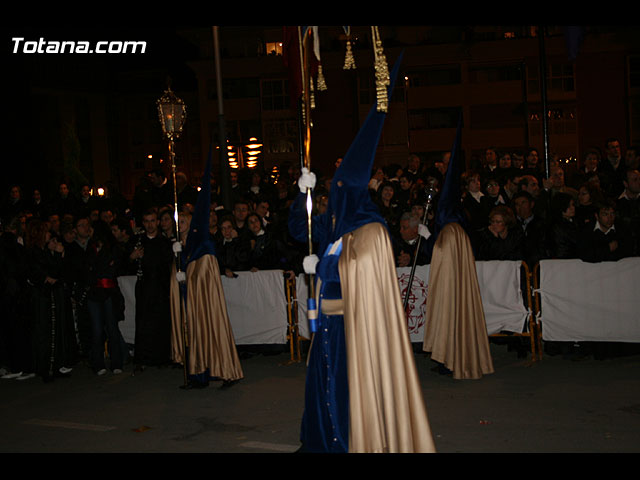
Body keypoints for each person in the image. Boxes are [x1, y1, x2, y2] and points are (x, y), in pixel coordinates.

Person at [289, 55, 435, 453]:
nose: (331, 197)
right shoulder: (336, 227)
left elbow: (361, 288)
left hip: (353, 330)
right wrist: (300, 193)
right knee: (321, 388)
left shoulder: (369, 232)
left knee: (345, 389)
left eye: (337, 191)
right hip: (329, 327)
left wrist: (325, 272)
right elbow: (298, 230)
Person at [422, 121, 494, 380]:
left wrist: (429, 236)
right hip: (452, 241)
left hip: (447, 247)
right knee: (458, 307)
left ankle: (450, 358)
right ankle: (456, 355)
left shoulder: (449, 232)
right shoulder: (457, 227)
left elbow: (436, 251)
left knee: (450, 305)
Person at [170, 159, 244, 389]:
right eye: (177, 221)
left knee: (212, 330)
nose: (179, 224)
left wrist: (188, 278)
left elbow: (206, 276)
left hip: (204, 302)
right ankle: (198, 374)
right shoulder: (178, 247)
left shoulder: (204, 247)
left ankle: (225, 371)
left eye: (183, 221)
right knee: (193, 334)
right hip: (189, 302)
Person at [24, 218, 76, 382]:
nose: (49, 235)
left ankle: (55, 365)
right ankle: (46, 368)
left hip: (52, 296)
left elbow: (59, 272)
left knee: (56, 331)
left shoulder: (44, 251)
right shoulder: (34, 252)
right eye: (46, 232)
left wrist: (58, 256)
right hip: (43, 298)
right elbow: (48, 275)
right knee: (46, 332)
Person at [130, 209, 174, 371]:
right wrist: (132, 257)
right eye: (146, 221)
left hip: (161, 288)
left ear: (157, 222)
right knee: (143, 323)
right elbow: (125, 263)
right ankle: (143, 359)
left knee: (161, 322)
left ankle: (162, 358)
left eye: (152, 220)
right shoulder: (138, 241)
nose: (150, 224)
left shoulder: (164, 242)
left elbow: (169, 264)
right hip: (144, 287)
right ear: (143, 223)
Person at [85, 221, 126, 375]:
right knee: (96, 329)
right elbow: (89, 269)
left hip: (108, 292)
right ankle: (98, 363)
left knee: (111, 327)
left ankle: (117, 362)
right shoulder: (91, 247)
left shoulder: (112, 247)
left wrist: (98, 269)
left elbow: (110, 269)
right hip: (95, 292)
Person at [546, 192, 579, 259]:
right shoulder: (558, 226)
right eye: (568, 206)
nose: (572, 208)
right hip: (564, 261)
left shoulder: (574, 222)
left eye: (573, 205)